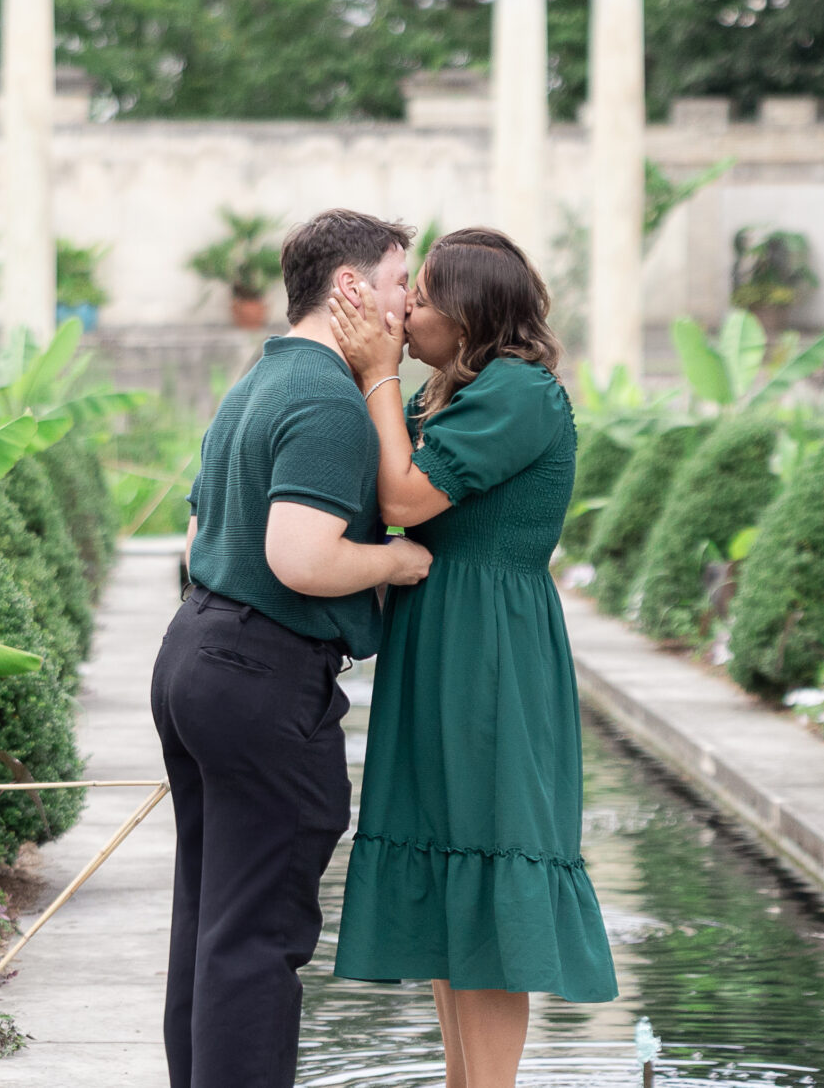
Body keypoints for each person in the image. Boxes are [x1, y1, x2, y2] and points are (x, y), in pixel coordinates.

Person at [151, 208, 436, 1088]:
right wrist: (397, 557)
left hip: (198, 655)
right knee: (259, 933)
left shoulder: (255, 384)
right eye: (398, 284)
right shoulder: (326, 400)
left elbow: (202, 539)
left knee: (212, 921)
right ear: (350, 289)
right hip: (262, 678)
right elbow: (301, 557)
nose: (408, 309)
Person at [328, 227, 618, 1088]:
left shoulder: (521, 394)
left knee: (489, 865)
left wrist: (378, 375)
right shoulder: (452, 394)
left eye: (421, 295)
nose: (405, 309)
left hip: (492, 650)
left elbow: (406, 497)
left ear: (470, 313)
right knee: (450, 864)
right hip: (439, 637)